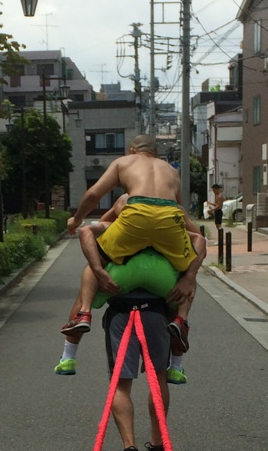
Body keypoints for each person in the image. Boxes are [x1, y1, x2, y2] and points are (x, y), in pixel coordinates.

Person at [56, 134, 202, 371]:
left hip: (136, 219)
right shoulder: (171, 171)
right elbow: (183, 216)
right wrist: (190, 275)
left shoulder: (124, 167)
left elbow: (93, 196)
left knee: (94, 267)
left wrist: (77, 220)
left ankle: (73, 342)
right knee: (185, 276)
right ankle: (178, 346)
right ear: (156, 153)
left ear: (132, 150)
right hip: (169, 218)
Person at [54, 193, 206, 381]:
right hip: (162, 276)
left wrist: (99, 265)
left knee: (91, 274)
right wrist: (189, 276)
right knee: (183, 286)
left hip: (120, 275)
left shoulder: (124, 200)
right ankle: (176, 359)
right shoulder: (173, 207)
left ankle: (70, 352)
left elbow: (97, 226)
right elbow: (199, 239)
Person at [102, 287, 173, 451]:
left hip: (121, 311)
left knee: (120, 384)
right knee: (158, 378)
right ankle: (157, 447)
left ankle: (129, 449)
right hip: (156, 312)